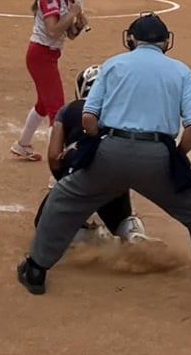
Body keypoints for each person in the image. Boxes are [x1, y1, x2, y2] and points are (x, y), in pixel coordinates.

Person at [16, 13, 191, 324]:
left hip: (110, 150)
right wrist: (174, 157)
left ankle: (35, 270)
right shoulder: (181, 71)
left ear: (131, 40)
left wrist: (103, 146)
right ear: (166, 42)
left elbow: (88, 119)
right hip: (158, 153)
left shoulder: (113, 64)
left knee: (63, 197)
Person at [37, 64, 159, 246]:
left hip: (81, 174)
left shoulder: (69, 110)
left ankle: (92, 236)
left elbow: (54, 157)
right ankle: (132, 232)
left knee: (45, 224)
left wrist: (63, 179)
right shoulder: (123, 111)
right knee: (120, 217)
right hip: (118, 172)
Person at [12, 0, 89, 161]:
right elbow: (53, 30)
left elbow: (69, 34)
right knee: (57, 110)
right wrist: (72, 13)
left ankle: (22, 144)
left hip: (48, 55)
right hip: (40, 55)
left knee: (43, 104)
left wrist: (78, 24)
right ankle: (57, 165)